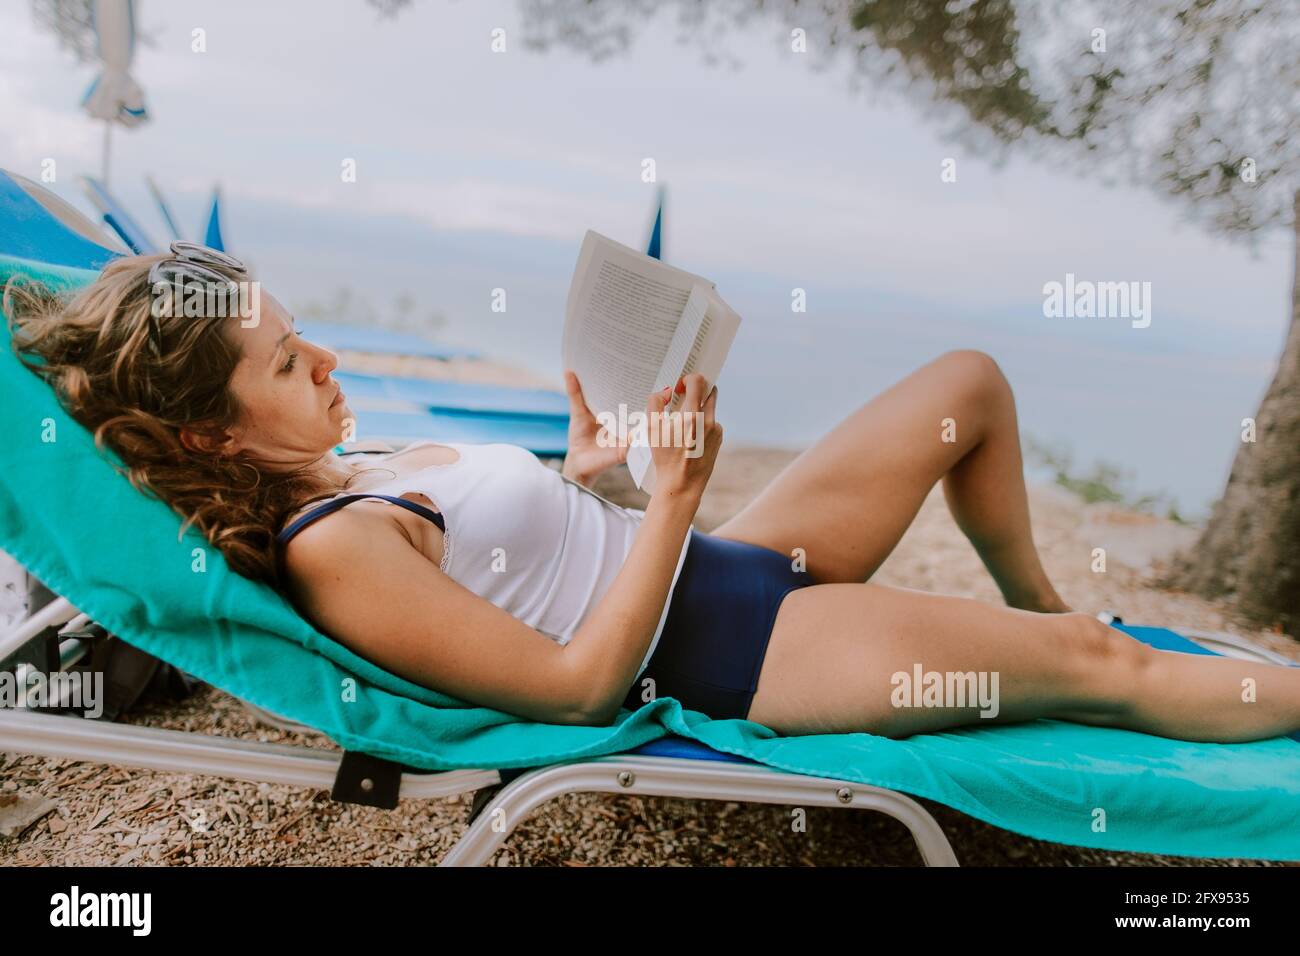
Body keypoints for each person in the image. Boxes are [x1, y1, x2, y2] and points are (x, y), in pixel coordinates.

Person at [7, 243, 1299, 743]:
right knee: (1099, 659)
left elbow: (537, 559)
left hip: (727, 563)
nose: (330, 360)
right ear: (221, 441)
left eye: (303, 331)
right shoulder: (333, 554)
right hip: (730, 645)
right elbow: (577, 688)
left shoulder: (357, 469)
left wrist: (603, 479)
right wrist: (673, 503)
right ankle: (1074, 657)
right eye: (290, 365)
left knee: (969, 382)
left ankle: (1035, 609)